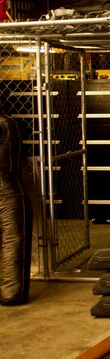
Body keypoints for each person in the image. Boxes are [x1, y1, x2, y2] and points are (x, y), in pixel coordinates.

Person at [0, 105, 30, 306]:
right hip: (7, 186)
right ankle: (11, 292)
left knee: (12, 239)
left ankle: (11, 291)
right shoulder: (7, 124)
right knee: (13, 239)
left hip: (6, 184)